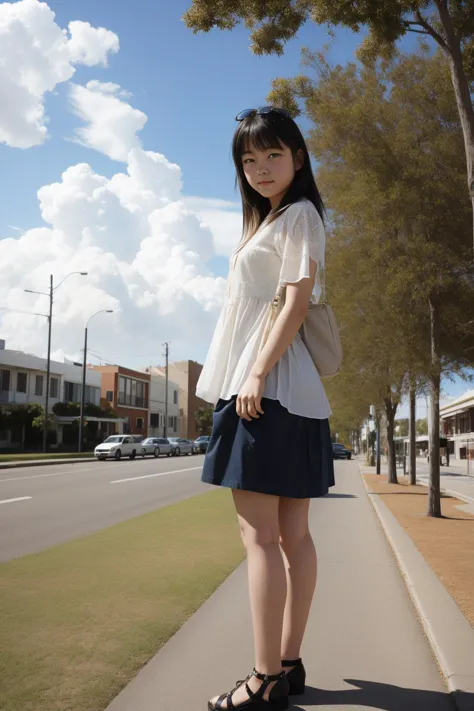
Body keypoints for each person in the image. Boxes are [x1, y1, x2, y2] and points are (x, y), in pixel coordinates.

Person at [195, 106, 335, 711]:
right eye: (248, 160)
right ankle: (289, 663)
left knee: (261, 539)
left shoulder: (298, 215)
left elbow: (296, 303)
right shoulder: (270, 222)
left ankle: (264, 677)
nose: (259, 168)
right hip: (287, 395)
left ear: (298, 158)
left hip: (264, 393)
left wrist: (252, 372)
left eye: (272, 154)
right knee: (292, 537)